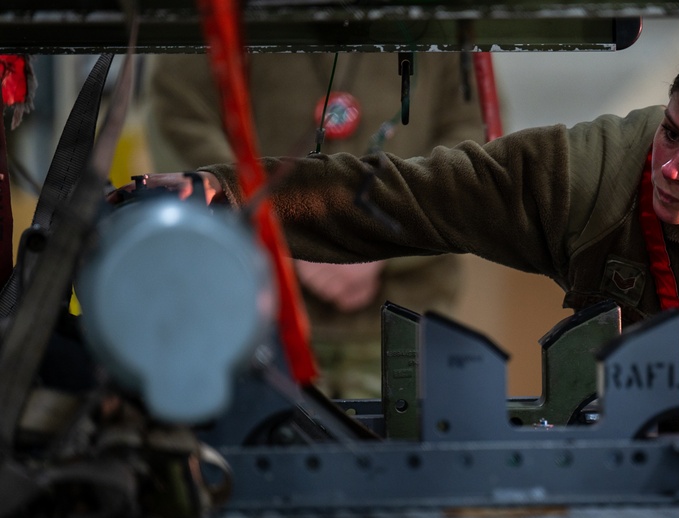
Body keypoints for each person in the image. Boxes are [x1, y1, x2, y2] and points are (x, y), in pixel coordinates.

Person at [123, 36, 679, 518]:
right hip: (644, 498)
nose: (672, 170)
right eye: (672, 131)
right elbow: (408, 195)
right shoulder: (603, 172)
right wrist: (229, 193)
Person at [142, 52, 488, 399]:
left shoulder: (439, 20)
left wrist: (388, 239)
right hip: (252, 317)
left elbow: (472, 135)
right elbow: (179, 112)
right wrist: (280, 234)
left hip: (410, 319)